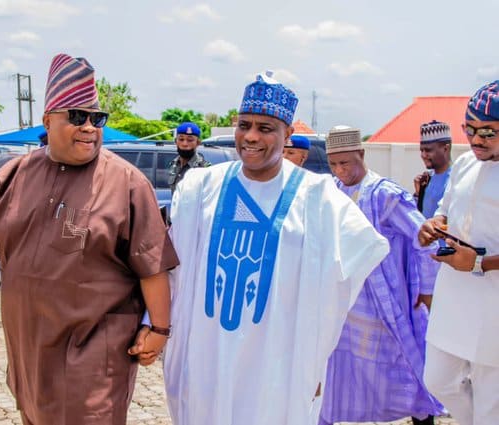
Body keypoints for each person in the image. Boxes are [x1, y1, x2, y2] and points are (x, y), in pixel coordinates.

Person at [0, 53, 179, 425]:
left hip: (94, 350)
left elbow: (151, 262)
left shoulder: (127, 183)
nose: (89, 128)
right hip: (30, 346)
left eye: (97, 119)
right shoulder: (13, 176)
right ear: (48, 120)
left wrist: (159, 328)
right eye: (77, 117)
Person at [163, 71, 389, 424]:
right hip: (207, 352)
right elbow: (173, 268)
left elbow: (352, 267)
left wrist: (313, 358)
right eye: (244, 125)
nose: (251, 136)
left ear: (286, 135)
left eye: (266, 128)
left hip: (276, 359)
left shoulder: (318, 197)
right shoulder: (200, 188)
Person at [320, 126, 444, 425]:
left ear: (362, 154)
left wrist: (426, 289)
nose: (340, 170)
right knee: (335, 368)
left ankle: (422, 417)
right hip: (346, 300)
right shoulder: (333, 191)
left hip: (382, 299)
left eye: (346, 162)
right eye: (334, 164)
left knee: (400, 360)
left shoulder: (385, 194)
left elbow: (424, 240)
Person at [418, 80, 499, 425]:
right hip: (453, 295)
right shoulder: (465, 164)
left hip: (493, 304)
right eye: (470, 129)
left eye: (488, 132)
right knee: (436, 379)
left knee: (489, 402)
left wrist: (480, 263)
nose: (476, 139)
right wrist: (434, 225)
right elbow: (446, 208)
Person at [414, 120, 453, 218]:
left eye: (428, 150)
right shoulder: (426, 179)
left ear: (445, 149)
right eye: (421, 150)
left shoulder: (456, 178)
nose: (423, 155)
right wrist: (419, 194)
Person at [167, 121, 211, 193]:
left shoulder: (204, 168)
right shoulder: (173, 164)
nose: (185, 144)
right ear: (176, 141)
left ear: (198, 143)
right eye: (181, 139)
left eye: (190, 140)